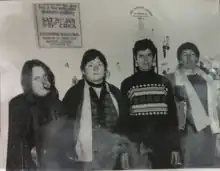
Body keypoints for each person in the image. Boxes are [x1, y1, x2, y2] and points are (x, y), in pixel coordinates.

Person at [62, 49, 136, 170]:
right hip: (85, 160)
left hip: (114, 156)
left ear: (105, 70)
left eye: (99, 65)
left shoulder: (115, 93)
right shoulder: (73, 94)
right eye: (90, 65)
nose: (95, 69)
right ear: (83, 71)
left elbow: (126, 124)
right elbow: (65, 127)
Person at [120, 38, 180, 169]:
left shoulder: (164, 83)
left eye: (149, 55)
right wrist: (124, 150)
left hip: (163, 146)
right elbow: (124, 120)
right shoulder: (127, 84)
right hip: (137, 148)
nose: (145, 60)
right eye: (141, 56)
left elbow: (172, 118)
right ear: (136, 59)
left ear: (154, 58)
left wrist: (175, 147)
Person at [167, 42, 220, 168]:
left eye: (192, 54)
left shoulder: (207, 78)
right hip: (187, 132)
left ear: (197, 58)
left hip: (209, 131)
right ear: (179, 58)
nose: (189, 58)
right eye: (184, 54)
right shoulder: (172, 78)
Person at [6, 59, 66, 171]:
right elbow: (15, 148)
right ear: (28, 82)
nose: (42, 82)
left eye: (44, 77)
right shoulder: (17, 105)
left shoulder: (57, 105)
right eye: (36, 79)